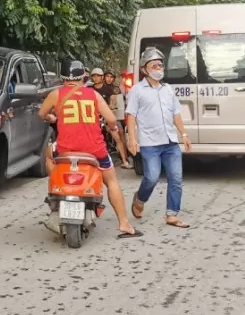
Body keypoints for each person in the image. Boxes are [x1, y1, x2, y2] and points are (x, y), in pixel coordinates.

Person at [38, 58, 140, 239]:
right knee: (112, 182)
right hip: (95, 150)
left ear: (63, 77)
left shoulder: (56, 94)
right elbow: (110, 119)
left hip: (64, 150)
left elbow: (42, 114)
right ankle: (124, 223)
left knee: (48, 154)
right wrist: (113, 127)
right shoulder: (94, 95)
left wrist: (52, 118)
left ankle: (56, 193)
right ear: (84, 77)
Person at [125, 47, 192, 229]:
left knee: (176, 178)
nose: (158, 68)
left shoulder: (168, 90)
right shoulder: (137, 91)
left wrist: (183, 134)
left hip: (170, 142)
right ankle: (140, 198)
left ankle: (172, 214)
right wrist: (132, 139)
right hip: (149, 143)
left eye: (160, 65)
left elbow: (176, 114)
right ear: (144, 70)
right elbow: (130, 115)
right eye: (154, 65)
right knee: (152, 177)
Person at [90, 68, 132, 169]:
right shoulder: (89, 89)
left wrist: (109, 107)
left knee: (117, 135)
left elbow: (112, 102)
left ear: (101, 77)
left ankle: (124, 160)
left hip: (106, 116)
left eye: (98, 76)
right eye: (94, 76)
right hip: (92, 117)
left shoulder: (109, 89)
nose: (96, 78)